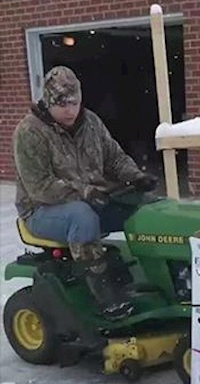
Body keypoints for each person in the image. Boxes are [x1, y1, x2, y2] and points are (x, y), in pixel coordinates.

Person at [13, 66, 158, 319]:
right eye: (62, 104)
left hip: (91, 198)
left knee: (145, 208)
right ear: (48, 102)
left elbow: (113, 158)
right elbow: (40, 186)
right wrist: (85, 192)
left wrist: (136, 177)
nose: (70, 110)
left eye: (75, 103)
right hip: (41, 210)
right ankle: (106, 296)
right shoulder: (29, 133)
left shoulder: (90, 122)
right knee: (83, 216)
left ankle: (159, 280)